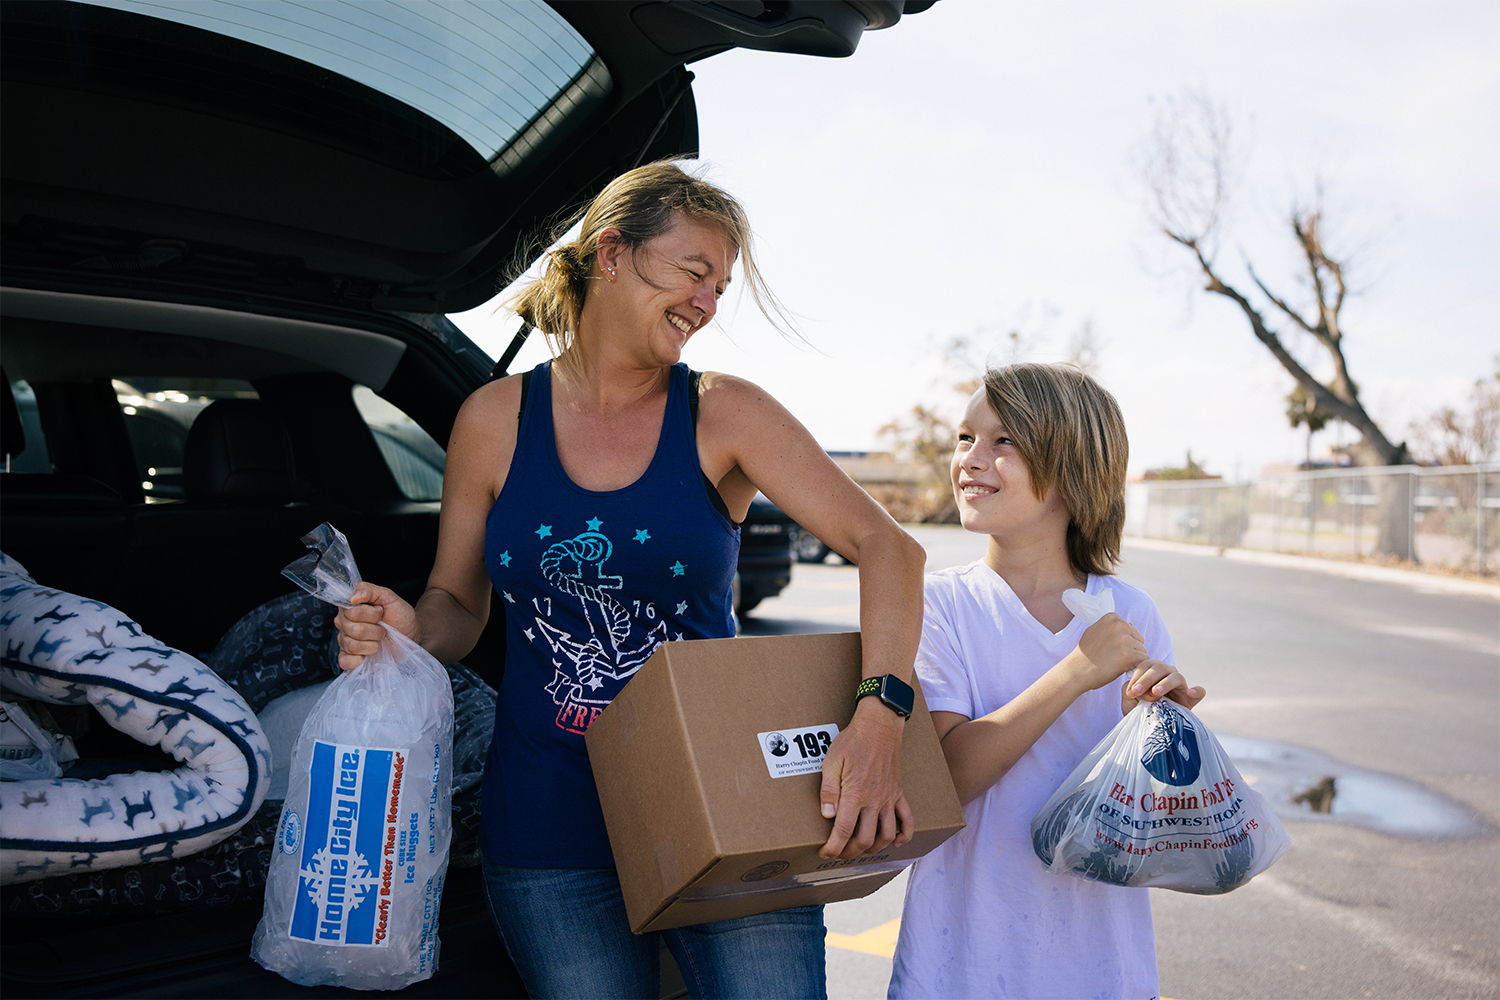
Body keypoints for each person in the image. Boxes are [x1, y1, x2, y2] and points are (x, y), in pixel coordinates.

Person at [333, 161, 926, 999]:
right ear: (611, 253)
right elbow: (458, 604)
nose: (708, 303)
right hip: (548, 830)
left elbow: (890, 548)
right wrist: (409, 629)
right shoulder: (493, 419)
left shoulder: (724, 410)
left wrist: (881, 715)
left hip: (727, 810)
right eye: (694, 272)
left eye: (720, 287)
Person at [887, 363, 1206, 1000]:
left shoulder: (1131, 611)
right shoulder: (939, 604)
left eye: (1004, 442)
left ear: (1072, 467)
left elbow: (1162, 814)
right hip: (961, 965)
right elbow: (947, 778)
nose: (972, 460)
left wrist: (1173, 729)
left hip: (1101, 965)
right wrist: (1076, 673)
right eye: (965, 438)